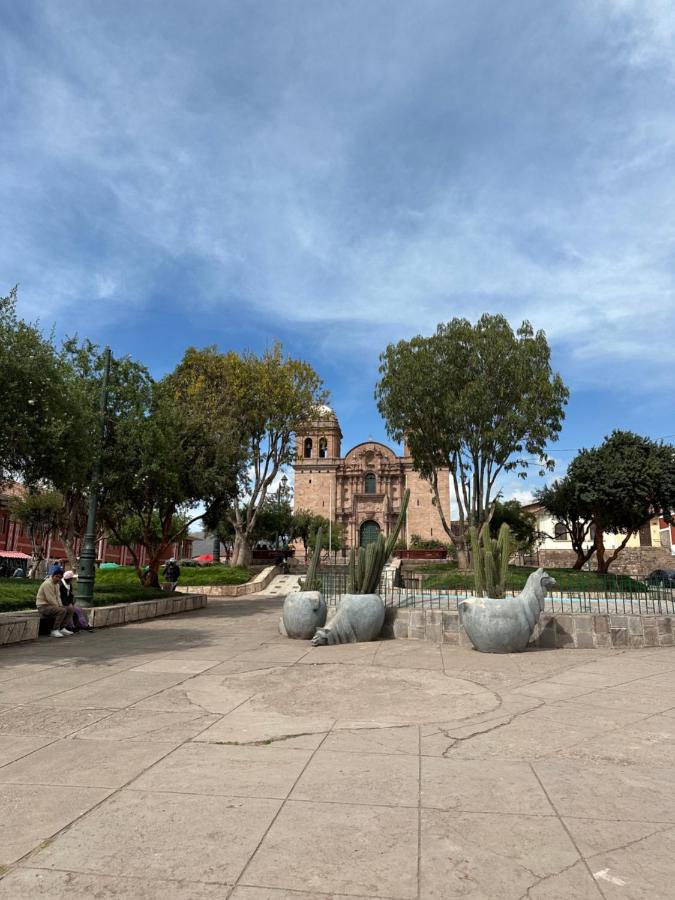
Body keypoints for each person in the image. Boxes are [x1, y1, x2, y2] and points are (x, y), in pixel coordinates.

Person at [36, 571, 74, 638]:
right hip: (43, 606)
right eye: (57, 577)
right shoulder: (47, 584)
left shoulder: (56, 584)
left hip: (51, 605)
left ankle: (62, 628)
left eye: (60, 577)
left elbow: (58, 597)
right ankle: (54, 630)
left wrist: (61, 605)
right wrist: (59, 607)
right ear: (54, 576)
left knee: (70, 609)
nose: (59, 579)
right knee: (62, 610)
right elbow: (50, 598)